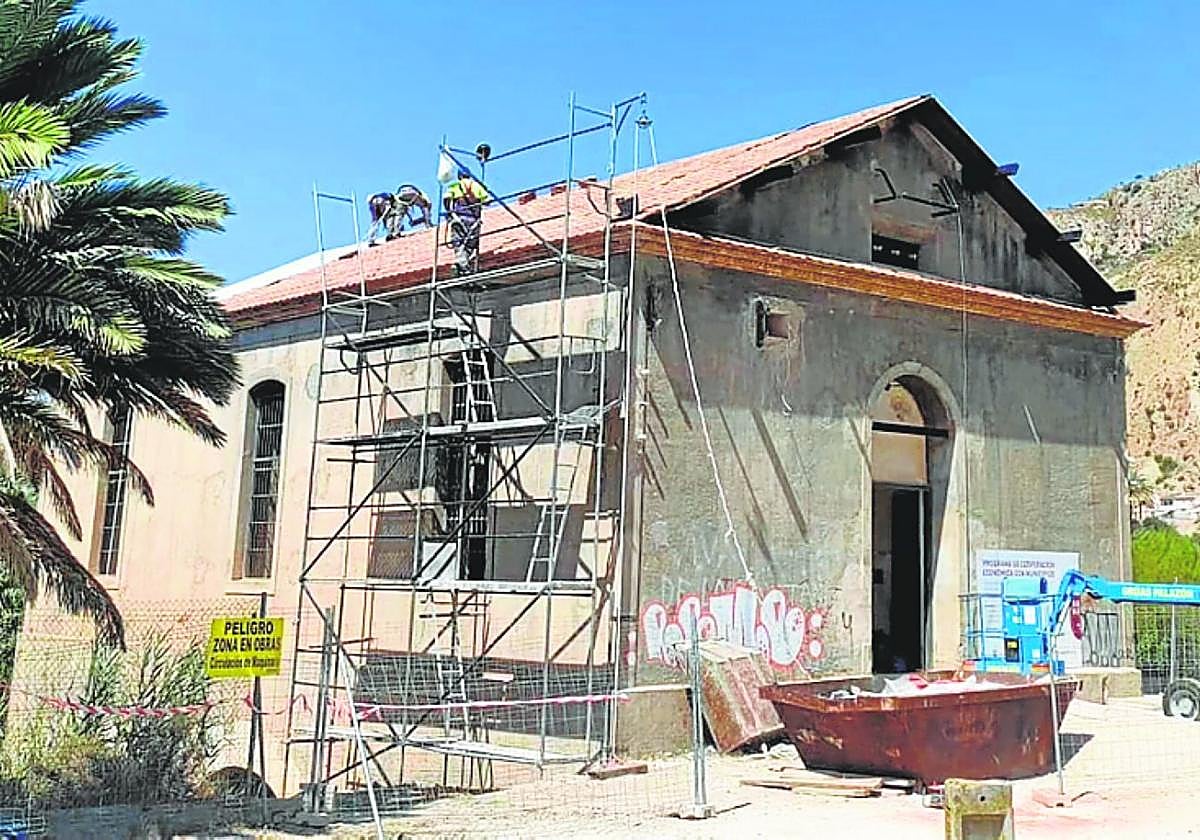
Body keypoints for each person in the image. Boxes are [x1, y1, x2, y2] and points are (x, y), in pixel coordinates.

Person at [443, 168, 488, 275]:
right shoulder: (476, 185)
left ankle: (462, 264)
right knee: (470, 243)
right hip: (473, 220)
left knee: (458, 243)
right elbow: (487, 201)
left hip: (459, 218)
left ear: (459, 176)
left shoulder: (455, 186)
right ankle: (464, 264)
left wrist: (450, 213)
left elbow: (446, 199)